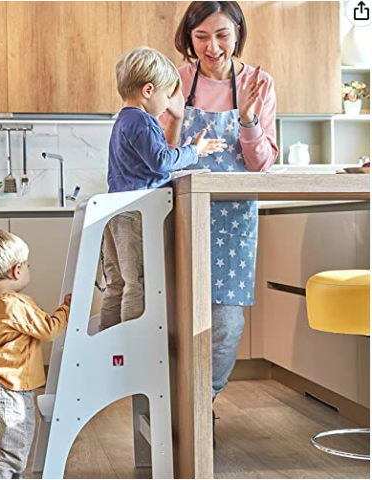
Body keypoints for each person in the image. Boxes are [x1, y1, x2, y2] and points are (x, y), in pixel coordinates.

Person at [162, 1, 278, 404]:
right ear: (189, 38)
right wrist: (176, 119)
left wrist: (247, 118)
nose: (212, 47)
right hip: (180, 214)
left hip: (234, 219)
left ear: (238, 33)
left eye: (222, 35)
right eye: (201, 36)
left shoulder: (258, 84)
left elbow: (260, 164)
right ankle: (175, 406)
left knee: (226, 322)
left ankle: (204, 402)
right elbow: (161, 154)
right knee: (175, 317)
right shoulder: (176, 80)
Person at [100, 46, 227, 331]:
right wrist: (194, 151)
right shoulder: (144, 122)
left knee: (117, 284)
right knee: (138, 283)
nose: (169, 103)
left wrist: (183, 145)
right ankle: (132, 345)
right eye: (167, 95)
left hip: (115, 212)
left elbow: (150, 162)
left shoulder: (124, 120)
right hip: (135, 214)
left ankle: (109, 345)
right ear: (148, 90)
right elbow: (161, 162)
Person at [0, 229, 71, 479]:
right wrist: (67, 308)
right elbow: (49, 329)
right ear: (16, 271)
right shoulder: (16, 304)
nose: (28, 268)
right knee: (11, 454)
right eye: (27, 264)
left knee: (1, 449)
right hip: (8, 391)